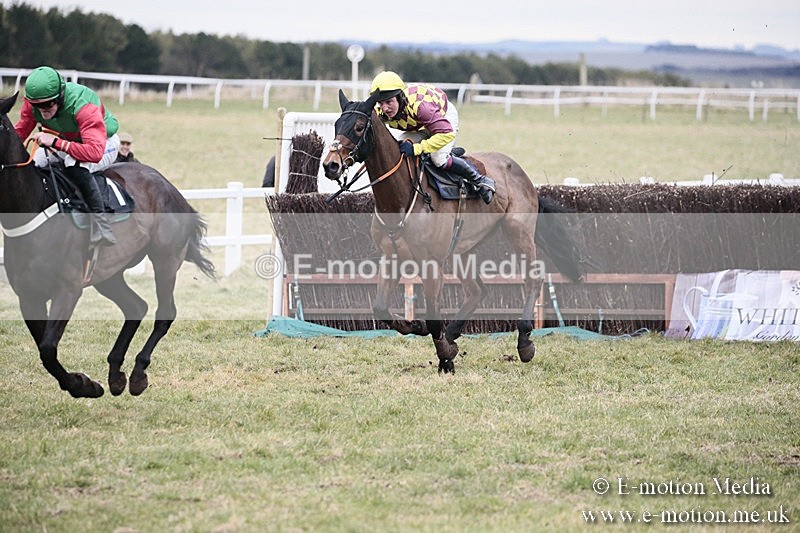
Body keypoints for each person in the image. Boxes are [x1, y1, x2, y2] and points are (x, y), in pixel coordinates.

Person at [15, 66, 119, 246]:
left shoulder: (83, 105)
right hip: (70, 140)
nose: (43, 111)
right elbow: (19, 134)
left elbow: (93, 153)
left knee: (74, 163)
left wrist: (55, 142)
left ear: (60, 97)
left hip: (103, 143)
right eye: (37, 106)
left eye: (47, 105)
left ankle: (102, 226)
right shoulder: (34, 104)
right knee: (35, 161)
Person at [369, 71, 495, 204]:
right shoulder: (381, 111)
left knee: (438, 159)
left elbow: (446, 134)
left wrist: (418, 148)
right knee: (397, 147)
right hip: (421, 124)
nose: (385, 108)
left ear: (400, 97)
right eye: (381, 103)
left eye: (389, 102)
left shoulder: (421, 107)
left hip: (443, 119)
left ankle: (480, 180)